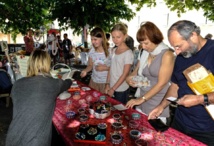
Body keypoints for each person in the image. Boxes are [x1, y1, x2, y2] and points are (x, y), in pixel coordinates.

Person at [148, 20, 214, 145]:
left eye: (179, 46)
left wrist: (200, 99)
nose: (177, 52)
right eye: (174, 47)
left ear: (193, 35)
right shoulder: (181, 57)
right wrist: (161, 106)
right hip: (180, 122)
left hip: (208, 130)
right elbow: (175, 86)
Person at [5, 49, 72, 146]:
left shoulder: (17, 84)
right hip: (36, 141)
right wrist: (68, 79)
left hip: (12, 138)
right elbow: (67, 83)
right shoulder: (52, 83)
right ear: (47, 64)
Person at [125, 21, 175, 123]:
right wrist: (129, 79)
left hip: (157, 102)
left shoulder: (167, 55)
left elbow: (162, 83)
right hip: (142, 98)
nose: (143, 47)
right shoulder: (145, 52)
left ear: (155, 38)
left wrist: (141, 99)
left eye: (146, 43)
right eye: (141, 43)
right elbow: (135, 71)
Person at [105, 23, 134, 104]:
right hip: (111, 86)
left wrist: (113, 89)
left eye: (118, 37)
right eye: (113, 37)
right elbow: (111, 68)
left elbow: (125, 74)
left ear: (125, 36)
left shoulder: (128, 53)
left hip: (121, 89)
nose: (115, 40)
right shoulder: (114, 50)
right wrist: (107, 84)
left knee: (120, 112)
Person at [80, 27, 110, 93]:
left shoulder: (109, 51)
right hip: (93, 81)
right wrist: (85, 71)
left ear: (102, 38)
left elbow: (114, 68)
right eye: (91, 39)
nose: (93, 42)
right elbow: (90, 65)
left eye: (95, 39)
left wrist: (105, 68)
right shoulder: (92, 50)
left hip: (105, 83)